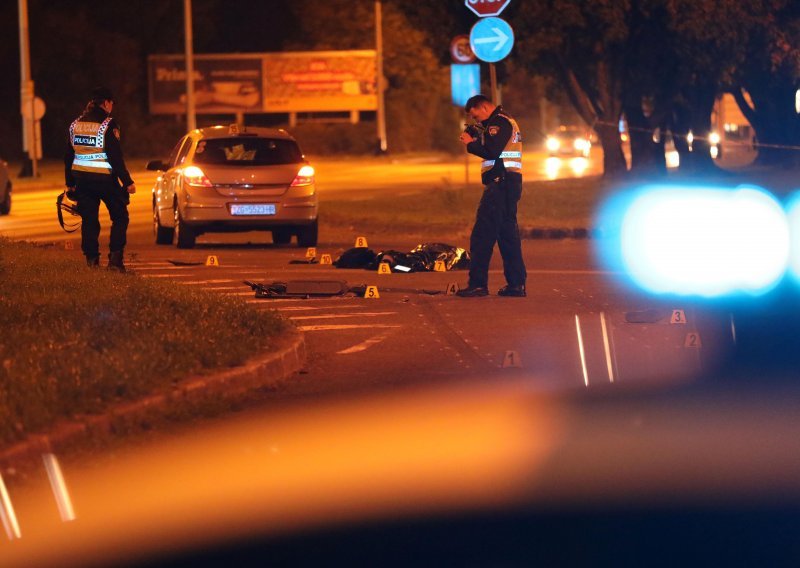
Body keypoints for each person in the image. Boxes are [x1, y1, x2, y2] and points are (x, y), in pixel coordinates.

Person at [456, 94, 526, 297]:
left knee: (482, 235)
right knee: (508, 236)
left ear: (484, 107)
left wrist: (470, 143)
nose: (476, 120)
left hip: (500, 184)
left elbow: (492, 151)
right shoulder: (506, 121)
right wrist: (478, 135)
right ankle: (516, 284)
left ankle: (478, 284)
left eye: (476, 116)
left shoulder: (499, 122)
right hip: (508, 183)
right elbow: (497, 149)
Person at [64, 87, 136, 271]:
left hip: (83, 182)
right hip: (105, 181)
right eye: (112, 103)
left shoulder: (75, 125)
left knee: (89, 220)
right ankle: (115, 261)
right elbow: (115, 156)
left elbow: (69, 157)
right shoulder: (108, 124)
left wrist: (70, 184)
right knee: (120, 217)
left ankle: (92, 262)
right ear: (106, 103)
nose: (112, 106)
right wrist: (127, 182)